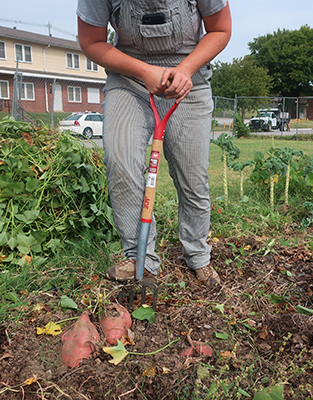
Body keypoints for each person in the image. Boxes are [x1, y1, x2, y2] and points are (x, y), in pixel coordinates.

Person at [76, 0, 231, 286]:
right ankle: (139, 258)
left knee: (192, 175)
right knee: (121, 162)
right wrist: (145, 72)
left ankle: (198, 255)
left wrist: (185, 68)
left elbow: (220, 29)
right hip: (129, 79)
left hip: (190, 80)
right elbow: (91, 40)